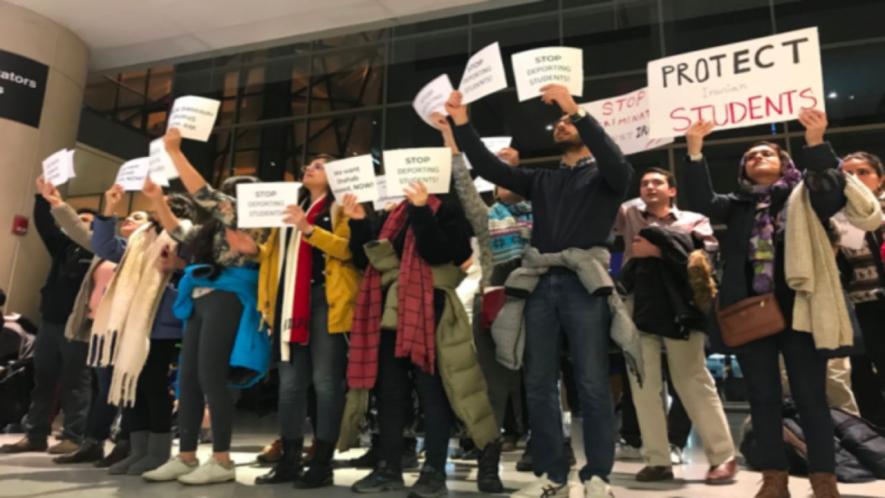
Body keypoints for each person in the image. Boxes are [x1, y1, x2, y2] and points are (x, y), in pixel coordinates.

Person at [446, 84, 639, 498]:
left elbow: (616, 162)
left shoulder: (608, 176)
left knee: (590, 383)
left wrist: (577, 109)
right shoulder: (543, 180)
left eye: (570, 121)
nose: (562, 125)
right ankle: (554, 475)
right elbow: (488, 167)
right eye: (560, 122)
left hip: (584, 285)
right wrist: (462, 123)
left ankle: (598, 476)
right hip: (539, 285)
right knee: (537, 383)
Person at [681, 109, 868, 498]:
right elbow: (699, 198)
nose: (756, 158)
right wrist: (695, 150)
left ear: (785, 163)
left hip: (801, 310)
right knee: (763, 399)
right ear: (743, 172)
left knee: (811, 398)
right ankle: (773, 480)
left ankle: (824, 481)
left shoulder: (804, 195)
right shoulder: (736, 204)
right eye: (749, 156)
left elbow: (832, 191)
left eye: (766, 153)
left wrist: (816, 142)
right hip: (751, 312)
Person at [342, 175, 498, 498]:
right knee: (389, 392)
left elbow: (442, 252)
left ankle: (434, 471)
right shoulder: (389, 216)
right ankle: (389, 467)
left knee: (433, 390)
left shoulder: (447, 211)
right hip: (388, 311)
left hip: (431, 307)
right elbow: (364, 261)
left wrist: (421, 210)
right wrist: (358, 224)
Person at [140, 128, 269, 485]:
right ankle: (186, 455)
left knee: (211, 377)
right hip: (200, 298)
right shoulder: (215, 226)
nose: (225, 196)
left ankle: (223, 459)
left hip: (228, 297)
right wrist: (157, 201)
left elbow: (202, 194)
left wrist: (175, 154)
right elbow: (182, 232)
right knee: (189, 379)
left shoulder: (250, 219)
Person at [615, 168, 737, 484]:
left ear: (672, 190)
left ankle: (722, 456)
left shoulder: (694, 218)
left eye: (657, 182)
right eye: (644, 183)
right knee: (643, 384)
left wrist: (659, 250)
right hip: (638, 302)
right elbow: (601, 206)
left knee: (692, 379)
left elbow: (705, 255)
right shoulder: (628, 214)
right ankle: (657, 459)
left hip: (680, 305)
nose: (650, 186)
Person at [251, 154, 360, 488]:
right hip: (288, 305)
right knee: (290, 386)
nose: (309, 168)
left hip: (326, 300)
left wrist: (309, 229)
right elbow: (273, 258)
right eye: (309, 164)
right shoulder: (287, 208)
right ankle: (289, 460)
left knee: (326, 383)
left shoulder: (342, 206)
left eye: (319, 165)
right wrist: (253, 251)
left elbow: (349, 251)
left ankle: (323, 463)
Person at [434, 112, 526, 493]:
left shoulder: (552, 220)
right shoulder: (487, 219)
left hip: (539, 309)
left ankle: (552, 461)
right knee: (494, 392)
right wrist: (450, 140)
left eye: (513, 178)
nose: (505, 183)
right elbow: (462, 185)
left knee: (541, 389)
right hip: (495, 312)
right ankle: (488, 467)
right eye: (499, 180)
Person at [84, 184, 195, 476]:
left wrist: (177, 264)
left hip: (163, 325)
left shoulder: (186, 235)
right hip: (129, 321)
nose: (157, 204)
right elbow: (104, 248)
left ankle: (157, 453)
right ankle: (138, 451)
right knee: (129, 386)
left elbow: (191, 269)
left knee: (153, 387)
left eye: (165, 202)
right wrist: (109, 209)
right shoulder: (139, 236)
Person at [49, 182, 150, 466]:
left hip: (126, 328)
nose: (131, 219)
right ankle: (94, 443)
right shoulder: (109, 248)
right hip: (98, 328)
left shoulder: (145, 254)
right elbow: (79, 231)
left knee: (121, 386)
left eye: (140, 218)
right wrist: (57, 202)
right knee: (104, 386)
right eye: (130, 216)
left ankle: (122, 443)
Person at [0, 178, 96, 456]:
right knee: (43, 377)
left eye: (87, 220)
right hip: (51, 321)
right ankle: (36, 433)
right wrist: (43, 198)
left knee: (76, 380)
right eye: (79, 218)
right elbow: (45, 225)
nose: (80, 222)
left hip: (79, 324)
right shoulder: (64, 247)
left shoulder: (102, 250)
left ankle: (74, 435)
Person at [836, 151, 885, 428]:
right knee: (861, 375)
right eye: (848, 174)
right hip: (858, 307)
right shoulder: (837, 219)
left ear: (880, 179)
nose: (855, 179)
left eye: (863, 172)